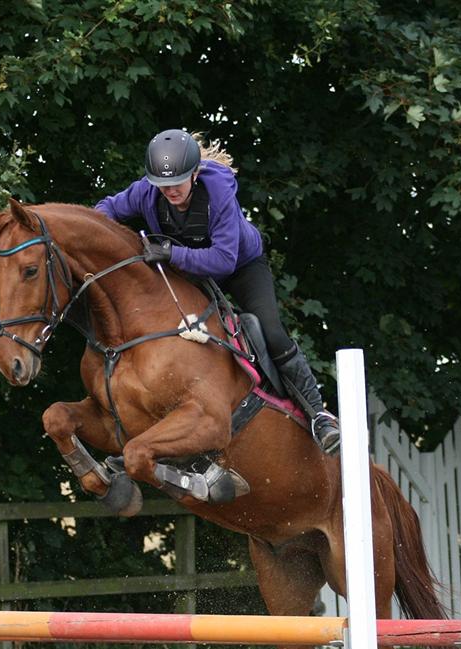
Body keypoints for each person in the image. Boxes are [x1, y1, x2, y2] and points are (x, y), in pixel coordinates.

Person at [95, 129, 341, 455]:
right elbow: (105, 210)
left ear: (195, 174)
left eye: (178, 182)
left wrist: (170, 253)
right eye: (163, 185)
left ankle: (317, 415)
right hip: (188, 271)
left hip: (240, 267)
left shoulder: (219, 190)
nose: (170, 191)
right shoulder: (146, 191)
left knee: (270, 330)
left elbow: (223, 261)